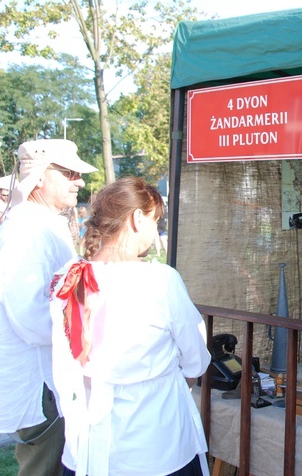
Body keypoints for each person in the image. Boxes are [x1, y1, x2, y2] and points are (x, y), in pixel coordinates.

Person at [48, 176, 211, 475]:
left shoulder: (67, 278)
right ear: (137, 219)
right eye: (154, 221)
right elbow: (196, 360)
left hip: (87, 445)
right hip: (156, 443)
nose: (155, 231)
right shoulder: (160, 281)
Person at [0, 139, 97, 476]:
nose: (79, 181)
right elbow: (29, 315)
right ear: (39, 177)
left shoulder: (41, 222)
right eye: (69, 172)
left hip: (52, 375)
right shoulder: (25, 228)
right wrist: (85, 335)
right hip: (42, 381)